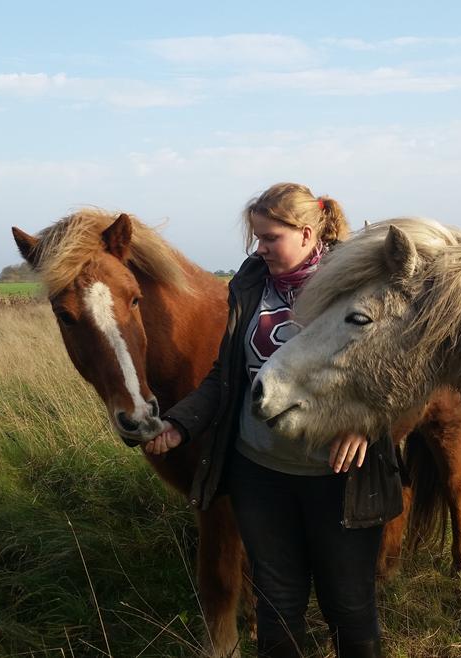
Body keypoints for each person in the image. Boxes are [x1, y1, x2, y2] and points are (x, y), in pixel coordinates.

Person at [145, 182, 402, 658]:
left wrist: (365, 421)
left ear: (307, 233)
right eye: (255, 239)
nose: (258, 249)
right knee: (277, 603)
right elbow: (225, 375)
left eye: (269, 238)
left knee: (348, 604)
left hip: (337, 476)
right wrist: (180, 424)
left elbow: (400, 369)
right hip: (260, 473)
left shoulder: (360, 284)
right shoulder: (250, 285)